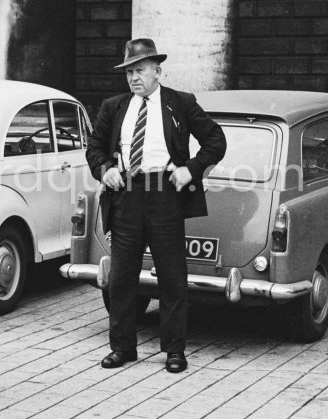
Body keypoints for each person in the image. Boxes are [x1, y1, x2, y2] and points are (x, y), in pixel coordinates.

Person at [86, 39, 226, 373]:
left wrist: (190, 169)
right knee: (121, 278)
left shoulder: (180, 103)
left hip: (165, 196)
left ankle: (175, 350)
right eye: (129, 71)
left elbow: (215, 140)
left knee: (172, 278)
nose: (133, 77)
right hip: (126, 197)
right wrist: (105, 171)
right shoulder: (114, 107)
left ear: (157, 71)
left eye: (140, 70)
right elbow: (93, 147)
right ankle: (122, 348)